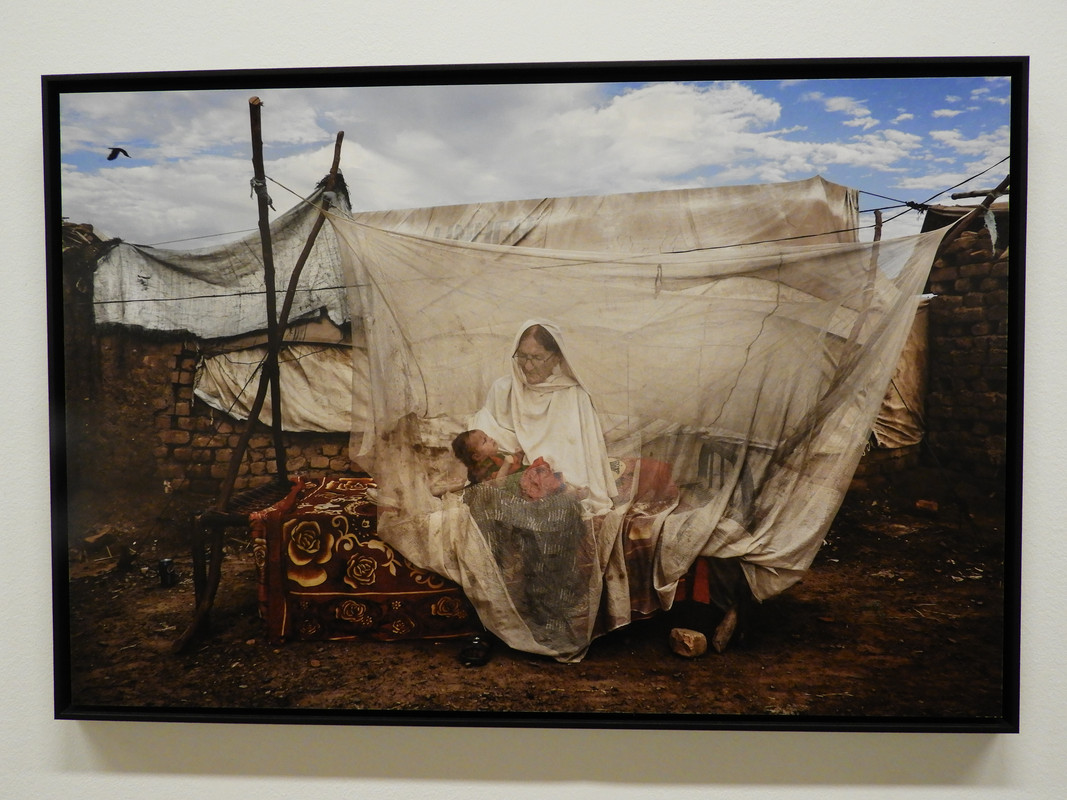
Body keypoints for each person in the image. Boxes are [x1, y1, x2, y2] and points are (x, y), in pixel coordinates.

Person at [469, 320, 617, 517]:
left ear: (556, 358)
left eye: (537, 357)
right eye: (523, 356)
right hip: (511, 479)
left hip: (558, 485)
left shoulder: (575, 396)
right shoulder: (502, 390)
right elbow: (481, 440)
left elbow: (587, 456)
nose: (528, 366)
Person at [450, 429, 525, 486]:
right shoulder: (484, 470)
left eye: (487, 436)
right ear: (477, 456)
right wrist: (506, 464)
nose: (490, 438)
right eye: (485, 441)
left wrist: (518, 456)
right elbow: (499, 484)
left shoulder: (496, 457)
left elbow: (514, 467)